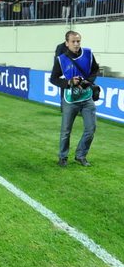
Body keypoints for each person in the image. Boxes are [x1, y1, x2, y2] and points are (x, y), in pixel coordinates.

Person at [50, 30, 99, 167]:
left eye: (78, 41)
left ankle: (81, 155)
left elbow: (95, 69)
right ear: (67, 43)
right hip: (70, 100)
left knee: (91, 128)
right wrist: (69, 82)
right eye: (73, 41)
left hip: (87, 98)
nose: (76, 44)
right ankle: (63, 157)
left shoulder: (88, 53)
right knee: (66, 131)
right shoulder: (61, 59)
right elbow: (53, 78)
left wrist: (88, 81)